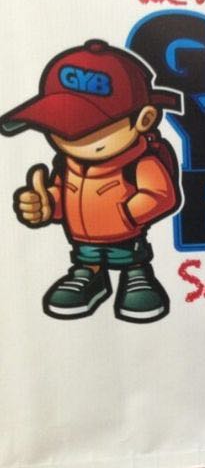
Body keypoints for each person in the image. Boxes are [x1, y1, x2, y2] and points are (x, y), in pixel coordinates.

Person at [1, 39, 182, 323]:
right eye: (58, 127)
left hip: (127, 240)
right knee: (87, 259)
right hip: (83, 242)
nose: (70, 141)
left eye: (89, 130)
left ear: (144, 120)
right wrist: (48, 204)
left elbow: (161, 195)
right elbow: (63, 193)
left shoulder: (141, 162)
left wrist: (124, 214)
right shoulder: (67, 165)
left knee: (132, 262)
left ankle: (137, 278)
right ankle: (90, 277)